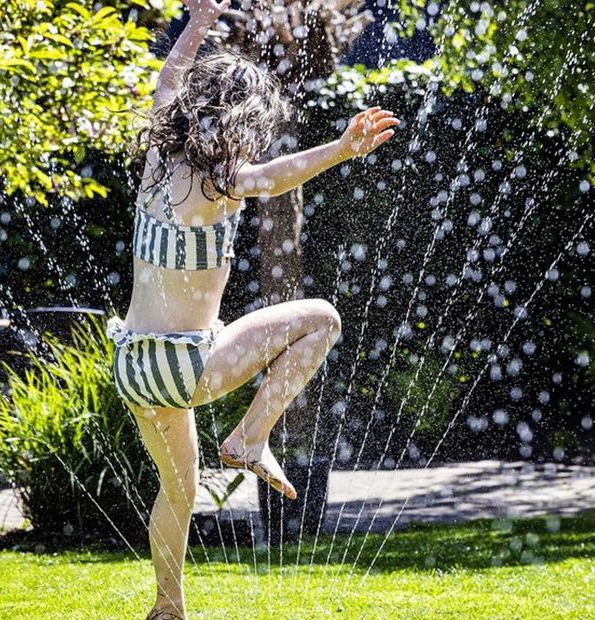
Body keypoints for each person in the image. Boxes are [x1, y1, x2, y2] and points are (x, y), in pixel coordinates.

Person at [105, 0, 399, 617]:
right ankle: (249, 437)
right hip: (187, 364)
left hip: (132, 364)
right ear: (241, 121)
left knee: (178, 489)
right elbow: (280, 175)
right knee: (322, 319)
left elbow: (168, 77)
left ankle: (167, 607)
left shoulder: (159, 161)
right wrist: (342, 150)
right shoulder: (225, 181)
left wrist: (200, 23)